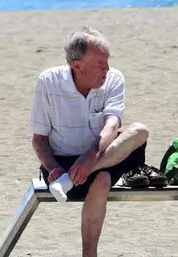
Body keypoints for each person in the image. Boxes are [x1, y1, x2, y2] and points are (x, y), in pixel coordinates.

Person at [30, 27, 154, 257]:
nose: (107, 68)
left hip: (105, 156)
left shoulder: (114, 79)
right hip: (62, 166)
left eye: (107, 61)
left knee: (139, 131)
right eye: (100, 64)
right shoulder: (48, 82)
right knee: (102, 178)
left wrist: (91, 157)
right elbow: (39, 140)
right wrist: (53, 168)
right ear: (78, 66)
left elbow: (112, 125)